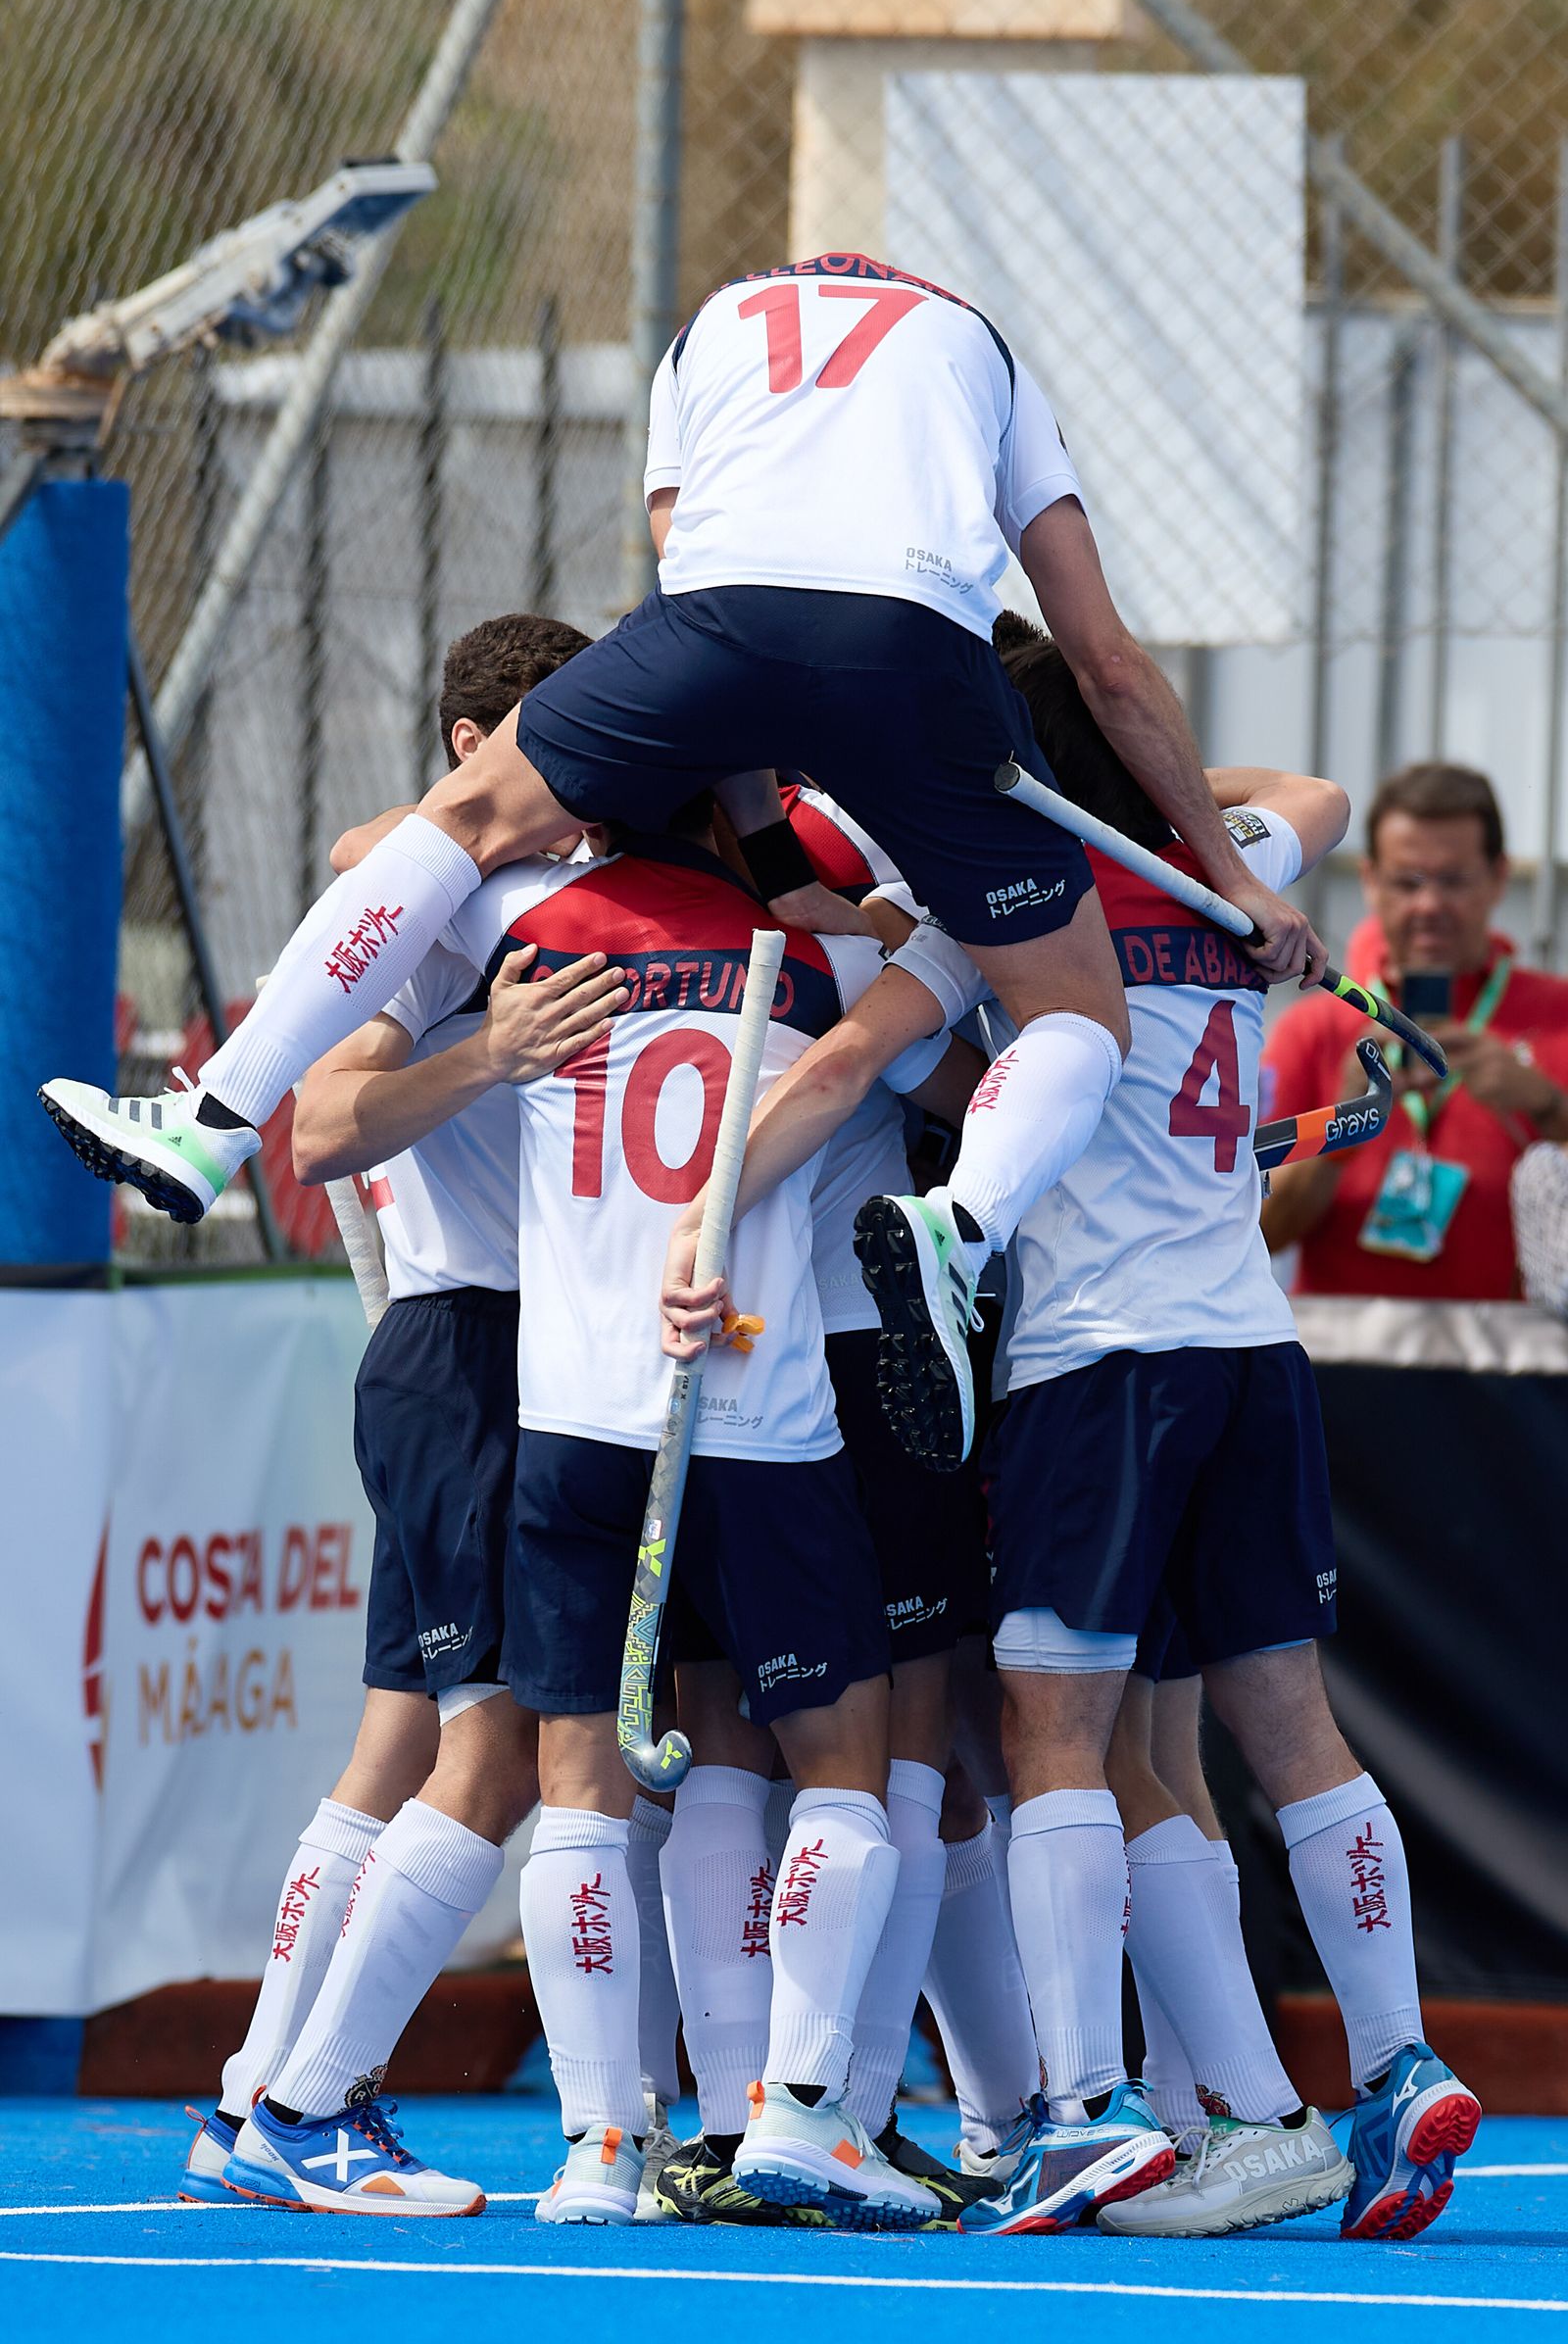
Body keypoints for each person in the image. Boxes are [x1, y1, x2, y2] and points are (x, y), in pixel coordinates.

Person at [41, 251, 1320, 1479]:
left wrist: (767, 852)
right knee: (1074, 1013)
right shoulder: (978, 342)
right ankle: (959, 1225)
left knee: (463, 817)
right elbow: (1105, 663)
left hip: (717, 624)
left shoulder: (711, 329)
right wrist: (1232, 875)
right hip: (914, 643)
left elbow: (697, 576)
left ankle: (216, 1118)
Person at [664, 638, 1480, 2243]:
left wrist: (693, 1223)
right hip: (1252, 1350)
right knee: (1285, 1731)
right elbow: (1313, 793)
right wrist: (1169, 806)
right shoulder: (1228, 871)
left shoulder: (1006, 898)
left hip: (1097, 1364)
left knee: (1054, 1734)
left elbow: (844, 1065)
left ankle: (1080, 2111)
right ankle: (1395, 2064)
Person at [402, 798, 979, 2228]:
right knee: (841, 1763)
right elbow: (966, 1077)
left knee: (579, 1784)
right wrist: (885, 918)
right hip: (761, 1417)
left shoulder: (522, 921)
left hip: (575, 1418)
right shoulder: (821, 955)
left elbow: (383, 856)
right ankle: (799, 2114)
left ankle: (600, 2145)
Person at [187, 615, 624, 2215]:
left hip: (496, 1354)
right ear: (473, 748)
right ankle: (315, 2105)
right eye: (552, 743)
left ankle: (253, 2094)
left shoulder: (515, 889)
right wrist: (491, 1057)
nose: (583, 776)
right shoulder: (440, 908)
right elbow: (322, 1123)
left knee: (399, 1746)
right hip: (474, 1352)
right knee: (497, 1755)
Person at [1262, 760, 1568, 1298]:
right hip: (1343, 1345)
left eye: (1453, 880)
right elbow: (1256, 1231)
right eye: (1408, 882)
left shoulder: (1557, 1015)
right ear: (1370, 881)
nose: (1429, 905)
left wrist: (1548, 1108)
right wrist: (1341, 1127)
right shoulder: (1312, 1030)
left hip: (1518, 1346)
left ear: (1499, 878)